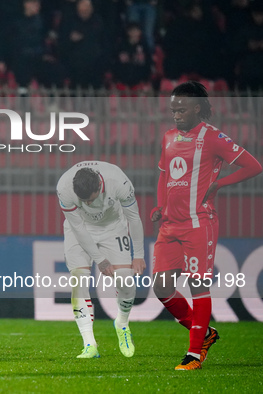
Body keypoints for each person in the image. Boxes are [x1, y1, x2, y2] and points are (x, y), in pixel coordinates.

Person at [151, 81, 262, 370]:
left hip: (199, 222)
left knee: (197, 285)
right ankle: (205, 333)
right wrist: (160, 206)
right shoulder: (168, 137)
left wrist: (219, 184)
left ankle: (194, 355)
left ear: (198, 108)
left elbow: (254, 166)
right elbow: (164, 176)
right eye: (173, 109)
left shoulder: (213, 137)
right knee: (161, 287)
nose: (176, 114)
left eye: (181, 109)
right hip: (170, 226)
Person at [57, 161, 146, 359]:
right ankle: (89, 344)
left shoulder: (119, 182)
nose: (87, 204)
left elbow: (134, 218)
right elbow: (78, 228)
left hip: (113, 226)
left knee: (125, 279)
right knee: (78, 280)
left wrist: (138, 254)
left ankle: (122, 323)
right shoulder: (64, 188)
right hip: (78, 229)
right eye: (83, 201)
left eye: (90, 199)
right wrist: (100, 259)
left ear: (100, 186)